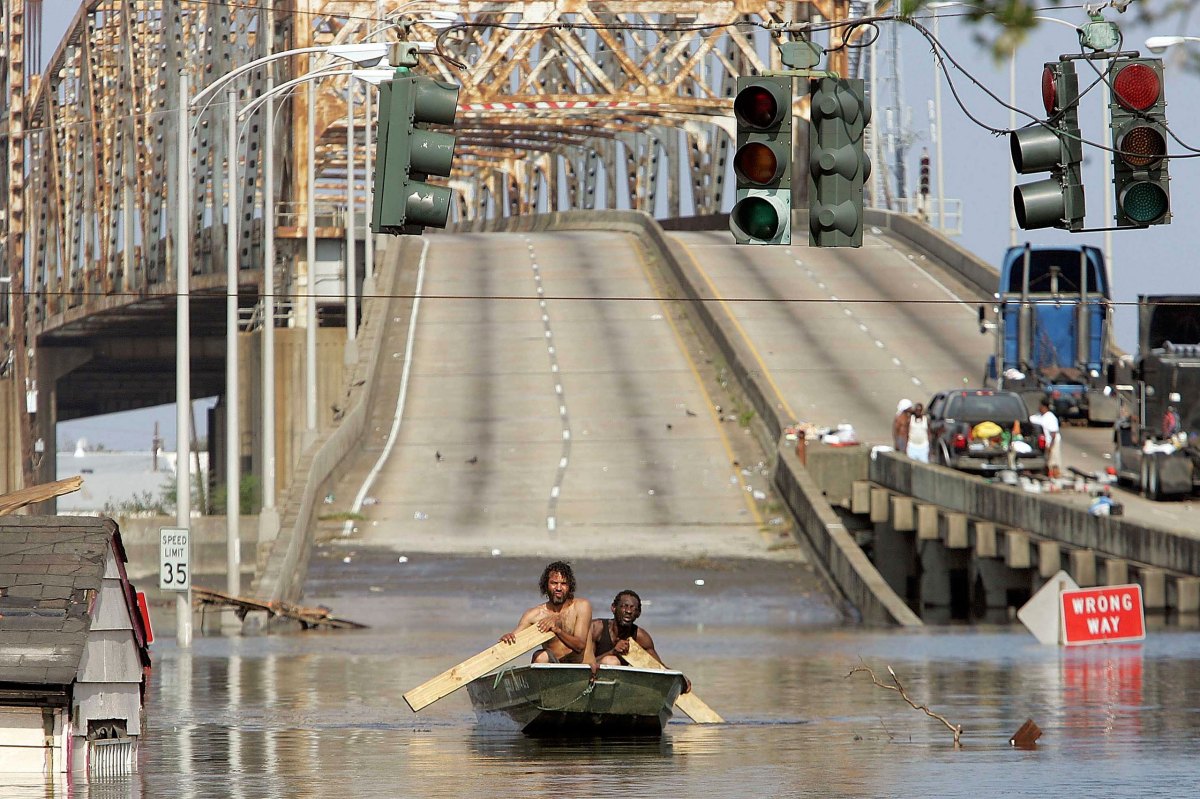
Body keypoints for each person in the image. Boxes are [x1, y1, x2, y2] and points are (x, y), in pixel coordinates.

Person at [589, 590, 690, 693]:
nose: (628, 611)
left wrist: (678, 677)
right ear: (613, 608)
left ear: (638, 614)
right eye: (624, 606)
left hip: (618, 686)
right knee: (611, 660)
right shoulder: (596, 628)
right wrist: (612, 652)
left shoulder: (641, 637)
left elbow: (658, 667)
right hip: (591, 681)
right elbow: (584, 664)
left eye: (633, 608)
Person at [500, 561, 594, 665]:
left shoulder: (581, 606)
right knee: (540, 656)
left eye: (563, 584)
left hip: (582, 669)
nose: (558, 588)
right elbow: (515, 640)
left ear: (569, 587)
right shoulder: (534, 615)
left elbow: (579, 646)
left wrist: (557, 631)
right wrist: (508, 638)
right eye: (554, 583)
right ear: (546, 585)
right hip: (556, 670)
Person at [1032, 400, 1062, 477]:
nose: (1039, 407)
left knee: (1053, 460)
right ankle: (1046, 474)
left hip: (1053, 441)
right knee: (1046, 460)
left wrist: (1050, 446)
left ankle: (1055, 475)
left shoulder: (1050, 417)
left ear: (1045, 407)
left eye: (1040, 406)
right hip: (1044, 442)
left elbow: (1053, 434)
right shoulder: (1038, 416)